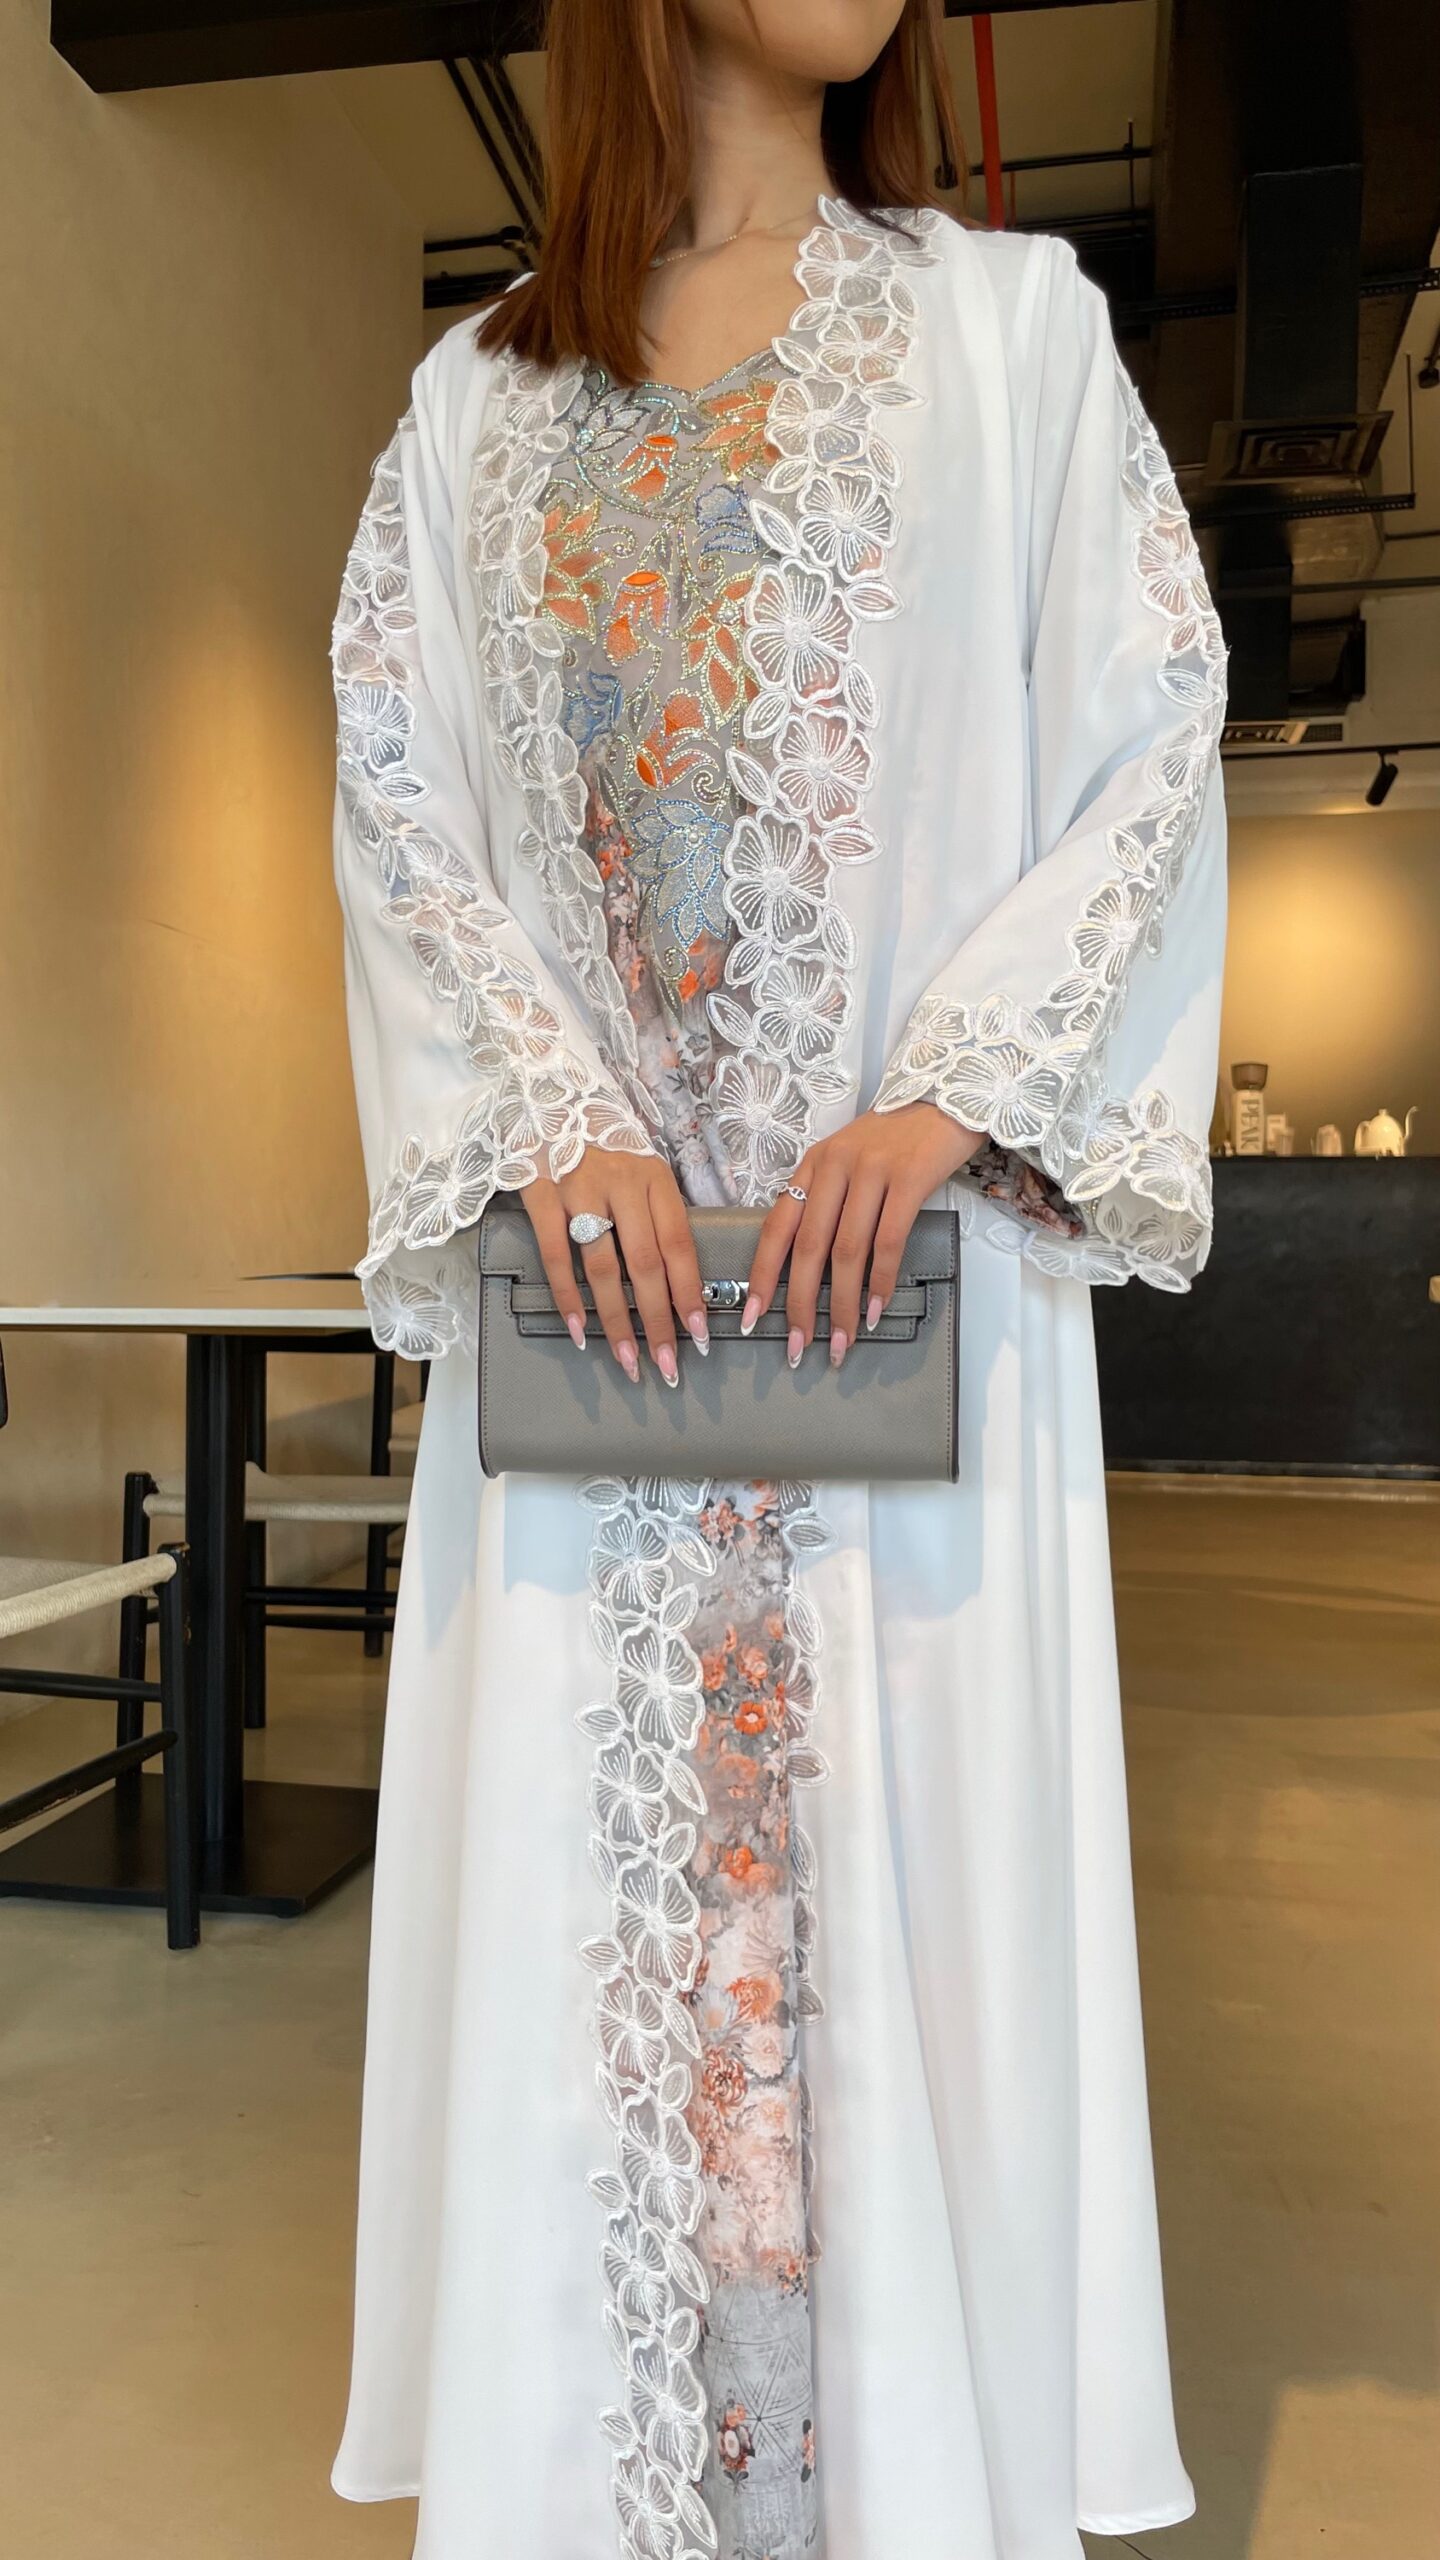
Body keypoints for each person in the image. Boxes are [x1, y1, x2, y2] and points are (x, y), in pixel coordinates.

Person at [328, 1, 1227, 2553]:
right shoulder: (471, 419)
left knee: (912, 1945)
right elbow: (396, 790)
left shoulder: (1009, 342)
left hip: (899, 1360)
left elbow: (1158, 733)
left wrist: (954, 1083)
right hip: (595, 1383)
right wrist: (551, 1103)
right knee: (592, 2006)